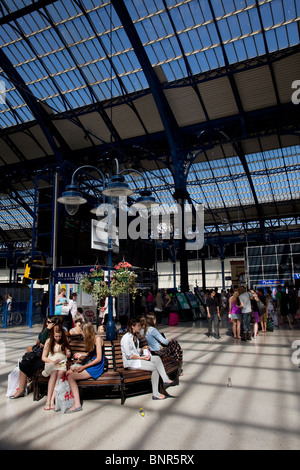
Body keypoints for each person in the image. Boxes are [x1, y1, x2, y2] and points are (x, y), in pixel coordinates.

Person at [121, 317, 176, 400]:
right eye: (138, 326)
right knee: (154, 368)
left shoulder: (134, 336)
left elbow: (136, 351)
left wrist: (142, 349)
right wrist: (142, 358)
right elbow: (129, 355)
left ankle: (165, 379)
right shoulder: (126, 338)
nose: (140, 327)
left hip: (137, 359)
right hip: (131, 362)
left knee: (157, 359)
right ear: (133, 326)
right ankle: (156, 394)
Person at [9, 316, 63, 399]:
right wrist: (44, 337)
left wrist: (46, 339)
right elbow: (41, 340)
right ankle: (21, 389)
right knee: (24, 363)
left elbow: (53, 344)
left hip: (50, 358)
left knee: (30, 364)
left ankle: (28, 383)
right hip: (41, 355)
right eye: (47, 322)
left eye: (50, 323)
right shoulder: (45, 332)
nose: (47, 324)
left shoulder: (58, 334)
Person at [66, 322, 105, 412]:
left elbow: (98, 358)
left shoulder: (97, 339)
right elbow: (91, 353)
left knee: (71, 377)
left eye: (82, 332)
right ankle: (69, 397)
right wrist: (81, 355)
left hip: (96, 366)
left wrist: (84, 367)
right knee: (68, 373)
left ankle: (77, 404)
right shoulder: (92, 339)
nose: (81, 334)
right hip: (91, 363)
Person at [42, 325, 71, 410]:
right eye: (56, 336)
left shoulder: (64, 342)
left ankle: (52, 400)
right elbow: (43, 357)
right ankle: (48, 401)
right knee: (54, 373)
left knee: (60, 373)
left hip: (61, 363)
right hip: (51, 362)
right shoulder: (48, 341)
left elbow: (67, 354)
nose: (57, 338)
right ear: (52, 335)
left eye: (59, 336)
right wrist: (53, 362)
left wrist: (68, 353)